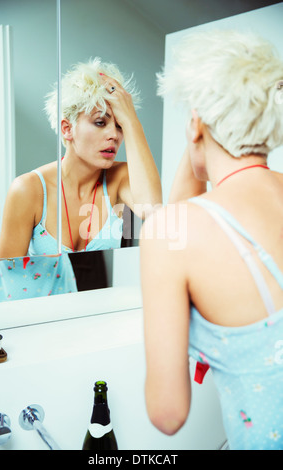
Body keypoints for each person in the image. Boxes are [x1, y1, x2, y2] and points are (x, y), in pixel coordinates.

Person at [140, 30, 283, 450]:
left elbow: (168, 415)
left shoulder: (173, 236)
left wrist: (199, 126)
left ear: (196, 122)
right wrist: (208, 126)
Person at [0, 58, 162, 302]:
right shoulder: (29, 189)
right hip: (34, 318)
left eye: (120, 126)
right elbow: (8, 284)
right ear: (67, 129)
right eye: (100, 122)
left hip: (88, 313)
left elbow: (152, 209)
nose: (114, 135)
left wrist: (132, 121)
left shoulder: (121, 178)